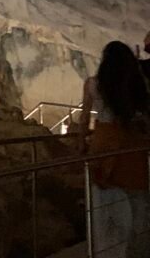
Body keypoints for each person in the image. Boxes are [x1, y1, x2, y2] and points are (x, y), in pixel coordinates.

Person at [80, 41, 150, 258]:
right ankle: (137, 248)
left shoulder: (94, 84)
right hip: (131, 144)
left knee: (103, 202)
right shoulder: (136, 84)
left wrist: (81, 142)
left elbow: (84, 118)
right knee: (137, 200)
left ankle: (107, 250)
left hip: (102, 143)